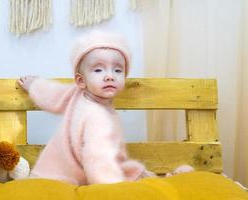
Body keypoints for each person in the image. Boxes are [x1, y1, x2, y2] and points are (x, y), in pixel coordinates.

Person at [18, 30, 193, 185]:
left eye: (117, 70)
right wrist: (114, 189)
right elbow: (98, 159)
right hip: (63, 181)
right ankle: (160, 184)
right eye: (98, 70)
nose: (109, 76)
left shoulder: (77, 94)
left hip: (45, 174)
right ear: (80, 80)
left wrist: (35, 85)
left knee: (130, 169)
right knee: (125, 173)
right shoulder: (96, 117)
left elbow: (52, 94)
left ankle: (159, 180)